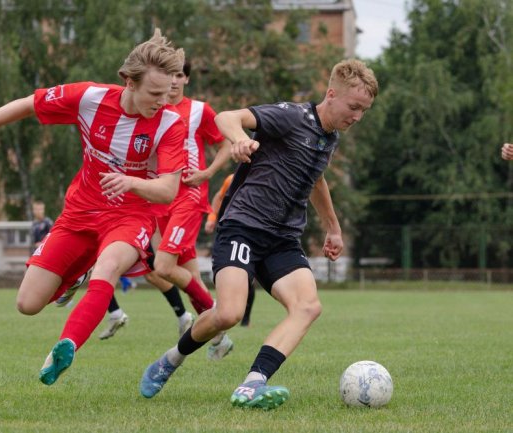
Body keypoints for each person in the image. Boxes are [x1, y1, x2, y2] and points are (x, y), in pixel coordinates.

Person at [0, 29, 187, 386]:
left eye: (167, 93)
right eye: (155, 93)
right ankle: (76, 274)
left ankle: (65, 346)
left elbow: (167, 191)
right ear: (129, 82)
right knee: (28, 303)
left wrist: (131, 183)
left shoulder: (170, 123)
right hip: (80, 213)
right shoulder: (90, 98)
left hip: (131, 216)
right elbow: (29, 103)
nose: (163, 101)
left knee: (108, 267)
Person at [140, 59, 378, 410]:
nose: (357, 116)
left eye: (364, 111)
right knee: (229, 314)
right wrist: (239, 140)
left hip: (282, 239)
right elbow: (227, 118)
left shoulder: (330, 138)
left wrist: (333, 227)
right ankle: (171, 359)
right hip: (243, 227)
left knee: (308, 306)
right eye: (354, 107)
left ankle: (253, 384)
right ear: (331, 94)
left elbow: (317, 179)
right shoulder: (292, 116)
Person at [98, 60, 233, 357]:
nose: (173, 81)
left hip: (188, 198)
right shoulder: (150, 110)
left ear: (186, 79)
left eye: (179, 75)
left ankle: (215, 319)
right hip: (158, 200)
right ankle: (219, 336)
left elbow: (225, 144)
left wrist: (207, 173)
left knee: (163, 267)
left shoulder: (199, 110)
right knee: (186, 276)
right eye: (169, 75)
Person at [205, 173, 255, 327]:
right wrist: (212, 218)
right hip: (229, 230)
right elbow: (219, 197)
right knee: (225, 273)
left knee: (249, 279)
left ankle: (245, 319)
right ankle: (220, 309)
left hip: (252, 233)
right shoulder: (232, 179)